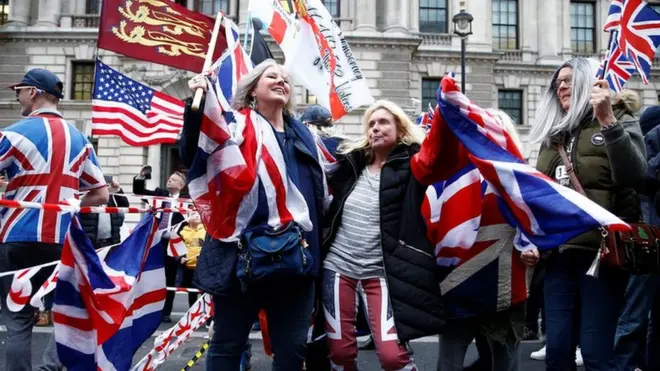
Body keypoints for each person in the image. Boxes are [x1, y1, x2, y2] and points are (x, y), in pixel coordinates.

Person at [180, 59, 329, 370]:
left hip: (296, 259)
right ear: (252, 90)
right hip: (239, 256)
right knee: (227, 345)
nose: (281, 81)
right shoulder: (233, 125)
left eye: (285, 79)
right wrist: (196, 109)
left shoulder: (304, 136)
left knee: (292, 351)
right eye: (272, 76)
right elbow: (195, 152)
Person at [529, 57, 646, 371]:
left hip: (602, 255)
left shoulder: (618, 116)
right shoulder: (553, 135)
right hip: (557, 255)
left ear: (587, 81)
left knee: (595, 354)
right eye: (558, 83)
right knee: (557, 352)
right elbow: (541, 195)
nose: (561, 86)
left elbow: (636, 175)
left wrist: (608, 121)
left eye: (568, 80)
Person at [322, 100, 446, 370]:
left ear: (400, 129)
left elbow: (439, 159)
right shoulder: (349, 165)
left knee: (393, 356)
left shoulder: (414, 167)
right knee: (340, 355)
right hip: (337, 268)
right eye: (371, 124)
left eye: (383, 122)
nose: (375, 128)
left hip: (381, 272)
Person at [0, 68, 109, 371]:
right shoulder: (80, 139)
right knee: (64, 312)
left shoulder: (13, 134)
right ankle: (50, 368)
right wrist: (70, 203)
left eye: (19, 90)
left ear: (33, 92)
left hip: (17, 236)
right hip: (61, 240)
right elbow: (100, 194)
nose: (17, 96)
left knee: (18, 318)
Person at [434, 109, 530, 371]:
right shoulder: (452, 176)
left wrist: (533, 248)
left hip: (504, 288)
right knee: (449, 364)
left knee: (503, 364)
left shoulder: (522, 178)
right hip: (457, 287)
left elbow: (536, 226)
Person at [612, 105, 660, 371]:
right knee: (635, 316)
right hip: (649, 241)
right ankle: (625, 365)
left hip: (649, 236)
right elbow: (643, 177)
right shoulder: (653, 136)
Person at [133, 168, 186, 323]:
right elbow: (139, 191)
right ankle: (146, 308)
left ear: (181, 186)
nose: (170, 180)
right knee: (151, 275)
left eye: (174, 179)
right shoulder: (159, 193)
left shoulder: (186, 200)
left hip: (174, 243)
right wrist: (140, 177)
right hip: (156, 241)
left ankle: (165, 312)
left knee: (170, 278)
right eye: (170, 178)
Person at [80, 175, 130, 249]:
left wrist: (117, 190)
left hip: (110, 242)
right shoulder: (88, 198)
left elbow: (125, 205)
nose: (105, 188)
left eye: (106, 185)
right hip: (90, 242)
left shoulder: (111, 198)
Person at [176, 211, 205, 307]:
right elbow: (177, 247)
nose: (197, 215)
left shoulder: (206, 230)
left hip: (202, 268)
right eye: (193, 214)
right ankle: (192, 313)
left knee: (204, 292)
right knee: (191, 292)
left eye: (198, 213)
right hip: (188, 267)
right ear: (187, 218)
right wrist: (180, 257)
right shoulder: (182, 232)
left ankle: (206, 316)